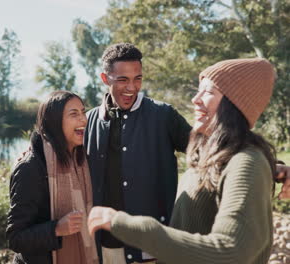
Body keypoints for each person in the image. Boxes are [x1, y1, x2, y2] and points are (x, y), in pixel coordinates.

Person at [88, 58, 277, 264]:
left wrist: (122, 223)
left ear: (235, 102)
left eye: (208, 92)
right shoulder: (211, 158)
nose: (196, 99)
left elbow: (231, 252)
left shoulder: (246, 162)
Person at [84, 43, 191, 263]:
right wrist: (33, 151)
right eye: (122, 80)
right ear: (105, 79)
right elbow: (54, 144)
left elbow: (211, 149)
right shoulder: (88, 121)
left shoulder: (163, 115)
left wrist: (268, 163)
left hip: (151, 244)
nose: (132, 87)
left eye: (138, 79)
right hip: (105, 245)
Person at [6, 91, 98, 264]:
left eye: (83, 112)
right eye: (74, 114)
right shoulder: (31, 168)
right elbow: (15, 238)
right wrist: (56, 229)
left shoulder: (82, 160)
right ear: (55, 122)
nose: (84, 120)